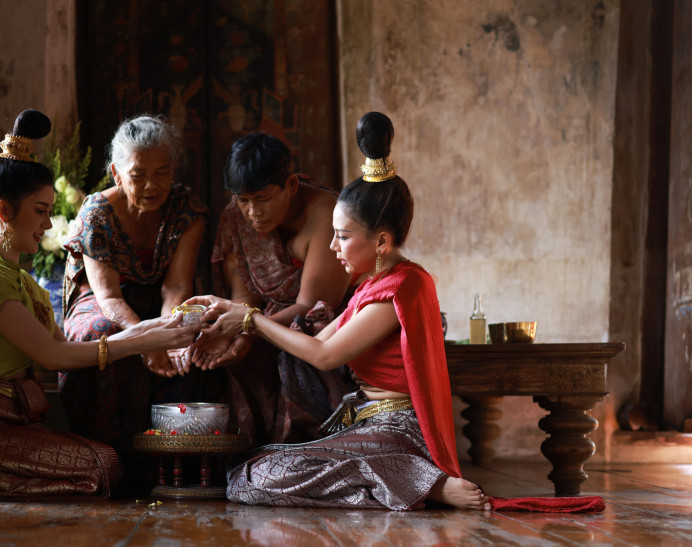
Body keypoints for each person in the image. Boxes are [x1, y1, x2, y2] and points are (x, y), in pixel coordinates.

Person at [185, 112, 489, 511]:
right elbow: (316, 342)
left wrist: (249, 319)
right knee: (250, 470)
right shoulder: (372, 286)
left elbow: (325, 357)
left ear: (381, 241)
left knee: (255, 479)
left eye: (342, 237)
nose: (332, 248)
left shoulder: (402, 286)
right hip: (370, 422)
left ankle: (424, 484)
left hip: (400, 431)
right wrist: (237, 313)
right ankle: (402, 481)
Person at [0, 110, 202, 504]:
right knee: (105, 467)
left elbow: (65, 354)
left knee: (106, 464)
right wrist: (142, 341)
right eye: (40, 211)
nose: (49, 223)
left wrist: (152, 333)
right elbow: (56, 354)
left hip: (20, 424)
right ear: (5, 212)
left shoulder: (24, 282)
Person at [58, 115, 218, 475]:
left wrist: (171, 332)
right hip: (101, 301)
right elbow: (110, 297)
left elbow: (176, 287)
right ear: (116, 173)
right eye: (138, 175)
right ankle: (104, 463)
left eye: (162, 172)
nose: (152, 185)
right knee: (99, 332)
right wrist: (148, 340)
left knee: (196, 335)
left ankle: (174, 465)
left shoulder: (186, 210)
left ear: (173, 168)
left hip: (161, 299)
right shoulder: (97, 212)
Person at [194, 132, 355, 444]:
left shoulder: (326, 215)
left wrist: (245, 329)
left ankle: (309, 446)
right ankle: (251, 451)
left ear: (291, 185)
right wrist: (238, 334)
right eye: (244, 201)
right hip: (259, 321)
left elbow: (313, 308)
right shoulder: (236, 217)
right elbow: (243, 297)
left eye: (263, 199)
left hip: (319, 328)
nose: (253, 213)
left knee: (300, 335)